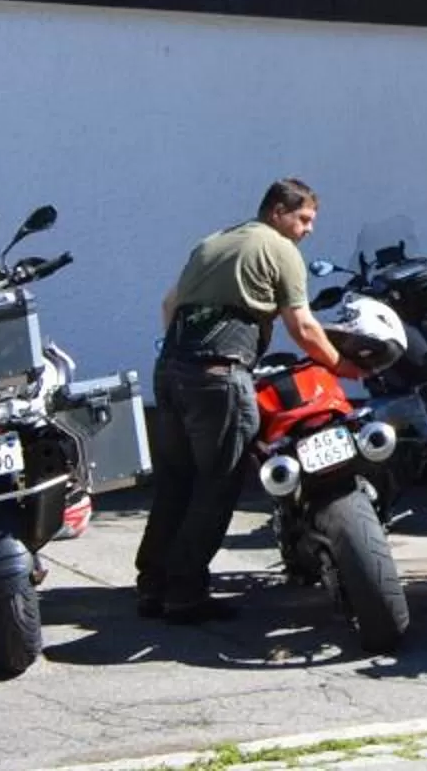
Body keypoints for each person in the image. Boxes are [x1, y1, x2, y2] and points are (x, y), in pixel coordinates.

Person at [137, 179, 347, 622]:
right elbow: (303, 326)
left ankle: (152, 583)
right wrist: (343, 365)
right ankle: (184, 593)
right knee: (217, 483)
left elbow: (169, 305)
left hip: (170, 371)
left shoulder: (213, 242)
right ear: (277, 212)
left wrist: (187, 358)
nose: (308, 229)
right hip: (220, 376)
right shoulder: (279, 248)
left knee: (176, 482)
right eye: (304, 219)